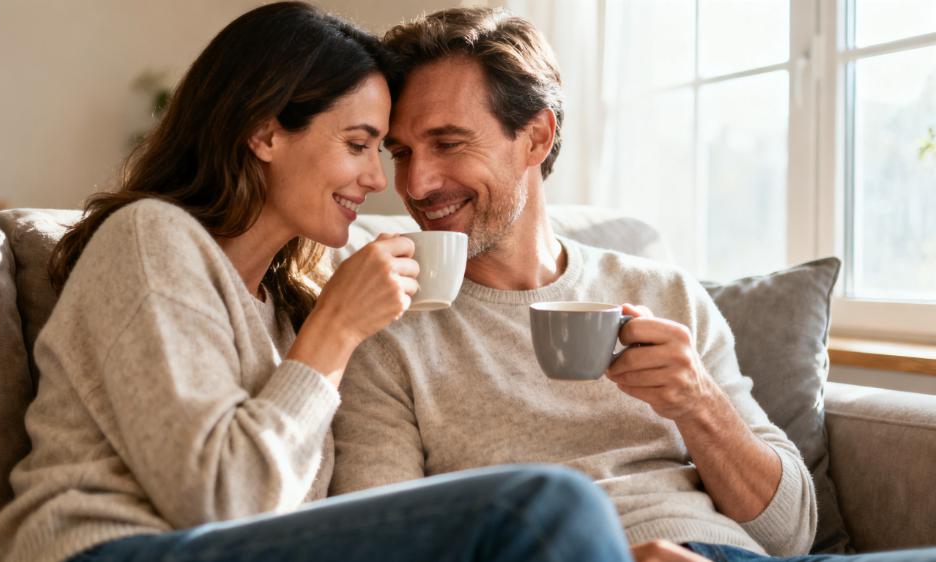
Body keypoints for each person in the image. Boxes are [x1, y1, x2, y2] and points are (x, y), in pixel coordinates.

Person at [0, 4, 638, 562]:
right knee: (545, 508)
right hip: (107, 549)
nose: (382, 183)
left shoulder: (285, 305)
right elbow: (221, 500)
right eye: (359, 145)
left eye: (381, 153)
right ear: (264, 131)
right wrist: (336, 329)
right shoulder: (151, 240)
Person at [329, 7, 936, 562]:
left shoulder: (665, 295)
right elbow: (387, 545)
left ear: (536, 137)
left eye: (448, 143)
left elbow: (792, 533)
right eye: (402, 152)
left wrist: (699, 405)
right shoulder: (386, 331)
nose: (415, 184)